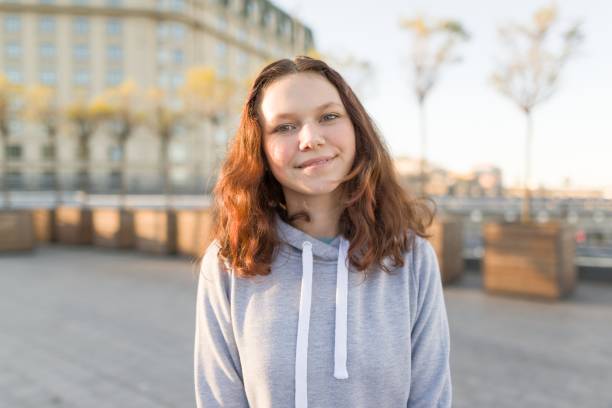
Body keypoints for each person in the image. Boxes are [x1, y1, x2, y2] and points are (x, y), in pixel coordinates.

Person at [194, 56, 451, 408]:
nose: (311, 139)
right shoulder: (229, 263)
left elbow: (430, 398)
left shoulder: (411, 256)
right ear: (260, 148)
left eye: (329, 117)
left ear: (356, 130)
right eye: (285, 126)